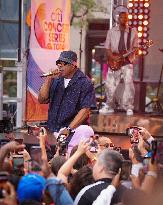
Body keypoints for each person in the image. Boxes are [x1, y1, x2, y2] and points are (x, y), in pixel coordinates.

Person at [38, 50, 96, 141]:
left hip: (74, 132)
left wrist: (69, 129)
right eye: (58, 63)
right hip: (53, 130)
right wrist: (48, 80)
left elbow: (85, 110)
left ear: (73, 65)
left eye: (64, 63)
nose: (60, 66)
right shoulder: (55, 80)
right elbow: (42, 99)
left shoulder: (85, 83)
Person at [99, 12, 138, 116]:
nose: (123, 19)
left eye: (125, 18)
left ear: (127, 19)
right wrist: (113, 58)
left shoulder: (132, 31)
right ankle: (109, 105)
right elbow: (107, 47)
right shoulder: (111, 32)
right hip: (114, 60)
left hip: (127, 61)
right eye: (121, 17)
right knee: (109, 84)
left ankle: (129, 107)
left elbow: (135, 47)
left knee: (129, 83)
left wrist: (135, 50)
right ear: (117, 19)